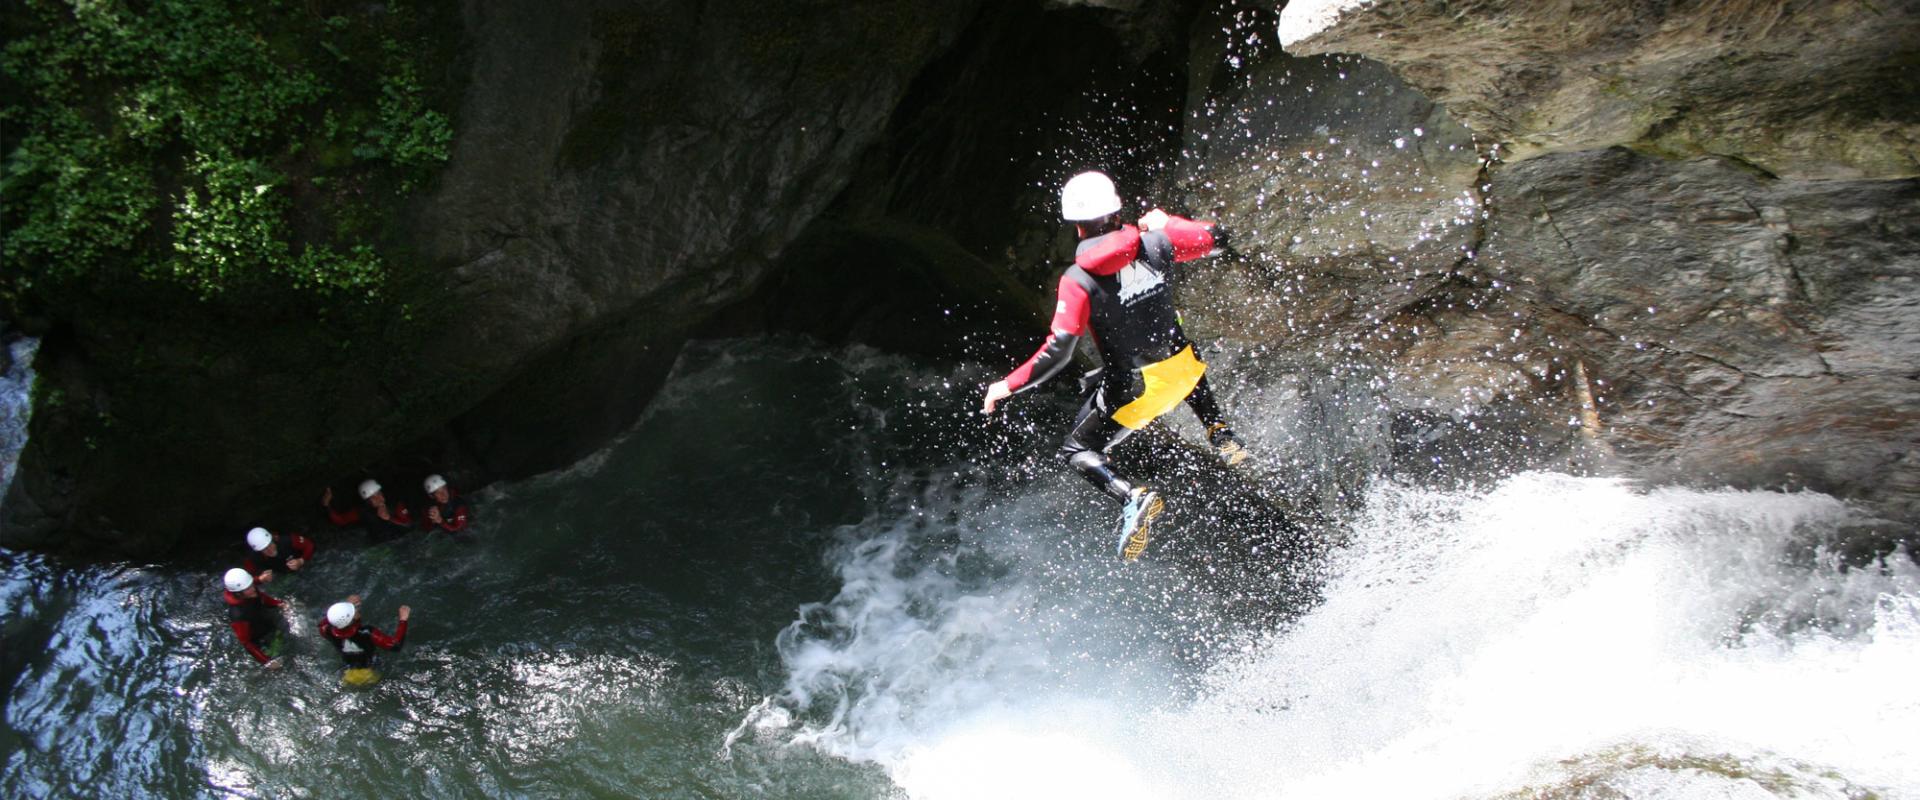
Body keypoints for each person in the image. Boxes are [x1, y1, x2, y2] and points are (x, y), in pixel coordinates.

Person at [981, 170, 1237, 561]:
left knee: (1077, 449)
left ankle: (1132, 496)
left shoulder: (1078, 279)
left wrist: (1008, 385)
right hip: (1187, 369)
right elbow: (1218, 237)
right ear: (1117, 210)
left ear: (1077, 226)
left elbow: (1060, 350)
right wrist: (1169, 223)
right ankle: (1219, 431)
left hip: (1137, 387)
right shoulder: (1158, 241)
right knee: (1169, 352)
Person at [318, 596, 411, 686]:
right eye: (354, 611)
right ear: (352, 620)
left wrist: (345, 607)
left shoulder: (327, 631)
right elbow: (395, 645)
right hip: (370, 672)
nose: (356, 610)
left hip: (347, 673)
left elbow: (325, 623)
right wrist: (403, 619)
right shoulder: (367, 632)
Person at [222, 568, 286, 668]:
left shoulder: (249, 590)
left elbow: (262, 597)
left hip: (265, 621)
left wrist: (278, 604)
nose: (253, 588)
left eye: (251, 585)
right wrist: (267, 662)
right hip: (259, 637)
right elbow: (247, 643)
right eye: (248, 588)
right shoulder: (238, 616)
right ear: (238, 593)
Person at [320, 479, 415, 542]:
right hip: (379, 544)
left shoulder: (395, 504)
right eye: (373, 497)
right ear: (367, 501)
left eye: (379, 493)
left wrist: (389, 519)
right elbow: (341, 520)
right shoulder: (362, 511)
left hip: (403, 539)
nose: (379, 498)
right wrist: (326, 505)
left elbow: (409, 526)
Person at [241, 526, 314, 584]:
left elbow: (309, 545)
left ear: (272, 539)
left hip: (304, 563)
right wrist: (260, 579)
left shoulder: (287, 539)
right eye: (264, 549)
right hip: (282, 574)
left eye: (270, 545)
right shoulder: (254, 558)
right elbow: (245, 581)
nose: (269, 550)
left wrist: (301, 560)